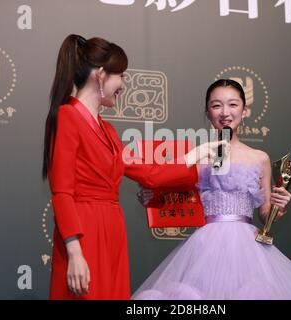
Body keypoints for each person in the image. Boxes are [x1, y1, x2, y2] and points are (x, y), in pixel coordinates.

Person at [42, 34, 223, 299]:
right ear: (101, 75)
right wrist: (74, 252)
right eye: (121, 76)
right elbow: (62, 193)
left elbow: (149, 173)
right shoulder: (67, 116)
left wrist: (194, 155)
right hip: (84, 233)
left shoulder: (108, 130)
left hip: (112, 230)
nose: (124, 84)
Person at [132, 79, 291, 300]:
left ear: (245, 111)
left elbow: (265, 215)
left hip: (249, 248)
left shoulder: (260, 158)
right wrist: (152, 197)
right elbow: (169, 188)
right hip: (205, 248)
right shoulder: (197, 156)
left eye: (233, 105)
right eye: (216, 105)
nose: (225, 112)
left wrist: (278, 207)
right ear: (207, 112)